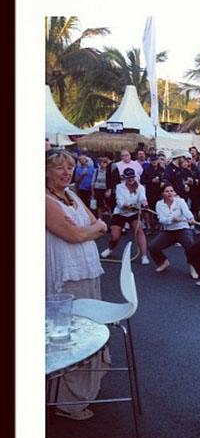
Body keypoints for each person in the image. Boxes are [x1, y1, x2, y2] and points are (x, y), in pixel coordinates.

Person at [46, 149, 110, 421]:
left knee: (88, 329)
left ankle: (83, 392)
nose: (66, 172)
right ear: (46, 171)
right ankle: (67, 403)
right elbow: (73, 235)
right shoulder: (43, 200)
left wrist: (91, 229)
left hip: (86, 271)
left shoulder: (71, 195)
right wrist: (91, 231)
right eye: (59, 168)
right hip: (67, 275)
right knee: (73, 336)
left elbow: (99, 225)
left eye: (69, 168)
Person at [101, 168, 150, 264]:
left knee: (139, 230)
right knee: (115, 236)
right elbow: (120, 202)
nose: (131, 179)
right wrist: (127, 206)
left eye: (132, 177)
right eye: (129, 177)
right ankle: (110, 249)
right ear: (124, 178)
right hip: (120, 213)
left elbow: (142, 198)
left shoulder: (140, 187)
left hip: (134, 213)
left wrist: (145, 204)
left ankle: (144, 256)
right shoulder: (119, 187)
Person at [148, 184, 197, 277]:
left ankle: (193, 267)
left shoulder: (180, 201)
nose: (170, 193)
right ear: (162, 194)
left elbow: (187, 212)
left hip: (183, 229)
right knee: (152, 247)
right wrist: (171, 219)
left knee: (191, 247)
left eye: (171, 191)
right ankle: (164, 262)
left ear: (174, 192)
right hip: (168, 231)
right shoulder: (159, 204)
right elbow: (161, 220)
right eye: (167, 191)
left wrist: (191, 218)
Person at [142, 153, 166, 234]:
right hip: (149, 192)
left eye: (155, 160)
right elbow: (142, 181)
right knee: (148, 210)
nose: (154, 162)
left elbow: (166, 179)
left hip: (160, 192)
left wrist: (163, 182)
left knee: (160, 209)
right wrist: (151, 181)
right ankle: (148, 226)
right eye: (152, 160)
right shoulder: (147, 170)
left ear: (158, 160)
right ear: (150, 161)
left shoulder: (162, 170)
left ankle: (160, 224)